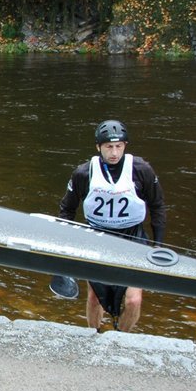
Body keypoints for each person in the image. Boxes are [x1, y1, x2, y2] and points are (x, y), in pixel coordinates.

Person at [58, 119, 167, 332]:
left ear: (125, 146)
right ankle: (94, 334)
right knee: (94, 297)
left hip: (132, 238)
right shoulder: (83, 173)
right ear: (98, 147)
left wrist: (158, 245)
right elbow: (67, 210)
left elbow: (157, 206)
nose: (114, 152)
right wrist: (65, 245)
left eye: (119, 146)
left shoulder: (141, 170)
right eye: (109, 147)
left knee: (133, 300)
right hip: (97, 238)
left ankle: (120, 337)